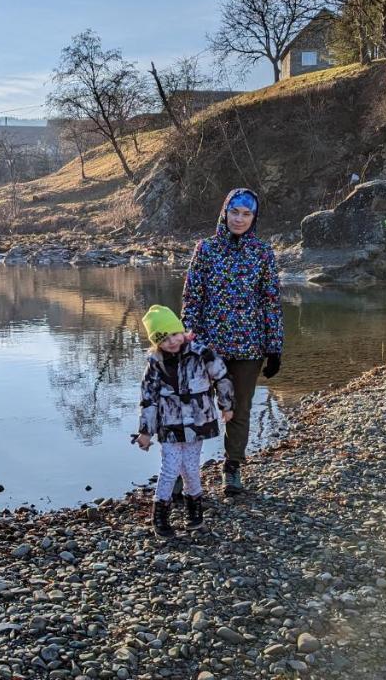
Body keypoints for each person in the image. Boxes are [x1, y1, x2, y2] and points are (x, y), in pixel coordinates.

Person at [181, 188, 284, 497]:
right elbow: (191, 300)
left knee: (239, 409)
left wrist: (274, 346)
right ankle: (183, 471)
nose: (239, 219)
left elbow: (271, 303)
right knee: (195, 408)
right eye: (235, 212)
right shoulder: (205, 250)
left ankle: (232, 468)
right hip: (207, 348)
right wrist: (186, 341)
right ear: (225, 213)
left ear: (254, 218)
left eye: (246, 214)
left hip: (249, 349)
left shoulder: (263, 253)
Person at [133, 305, 235, 538]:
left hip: (198, 421)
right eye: (164, 338)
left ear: (183, 331)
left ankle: (195, 515)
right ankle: (160, 517)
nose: (171, 341)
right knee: (169, 469)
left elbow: (222, 376)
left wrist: (227, 406)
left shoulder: (201, 353)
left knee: (191, 468)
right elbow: (148, 399)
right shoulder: (155, 364)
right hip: (169, 425)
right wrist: (145, 431)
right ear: (156, 342)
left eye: (175, 334)